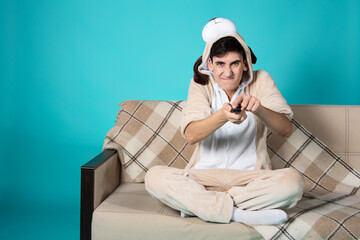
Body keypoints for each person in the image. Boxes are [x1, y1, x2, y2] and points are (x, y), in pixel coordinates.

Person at [145, 18, 305, 225]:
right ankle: (238, 213)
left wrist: (258, 108)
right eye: (220, 64)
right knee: (154, 177)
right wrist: (222, 116)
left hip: (250, 179)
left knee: (293, 182)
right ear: (210, 64)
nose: (227, 72)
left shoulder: (261, 80)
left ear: (245, 63)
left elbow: (286, 129)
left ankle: (202, 206)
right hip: (204, 177)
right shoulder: (200, 84)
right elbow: (191, 135)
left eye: (235, 63)